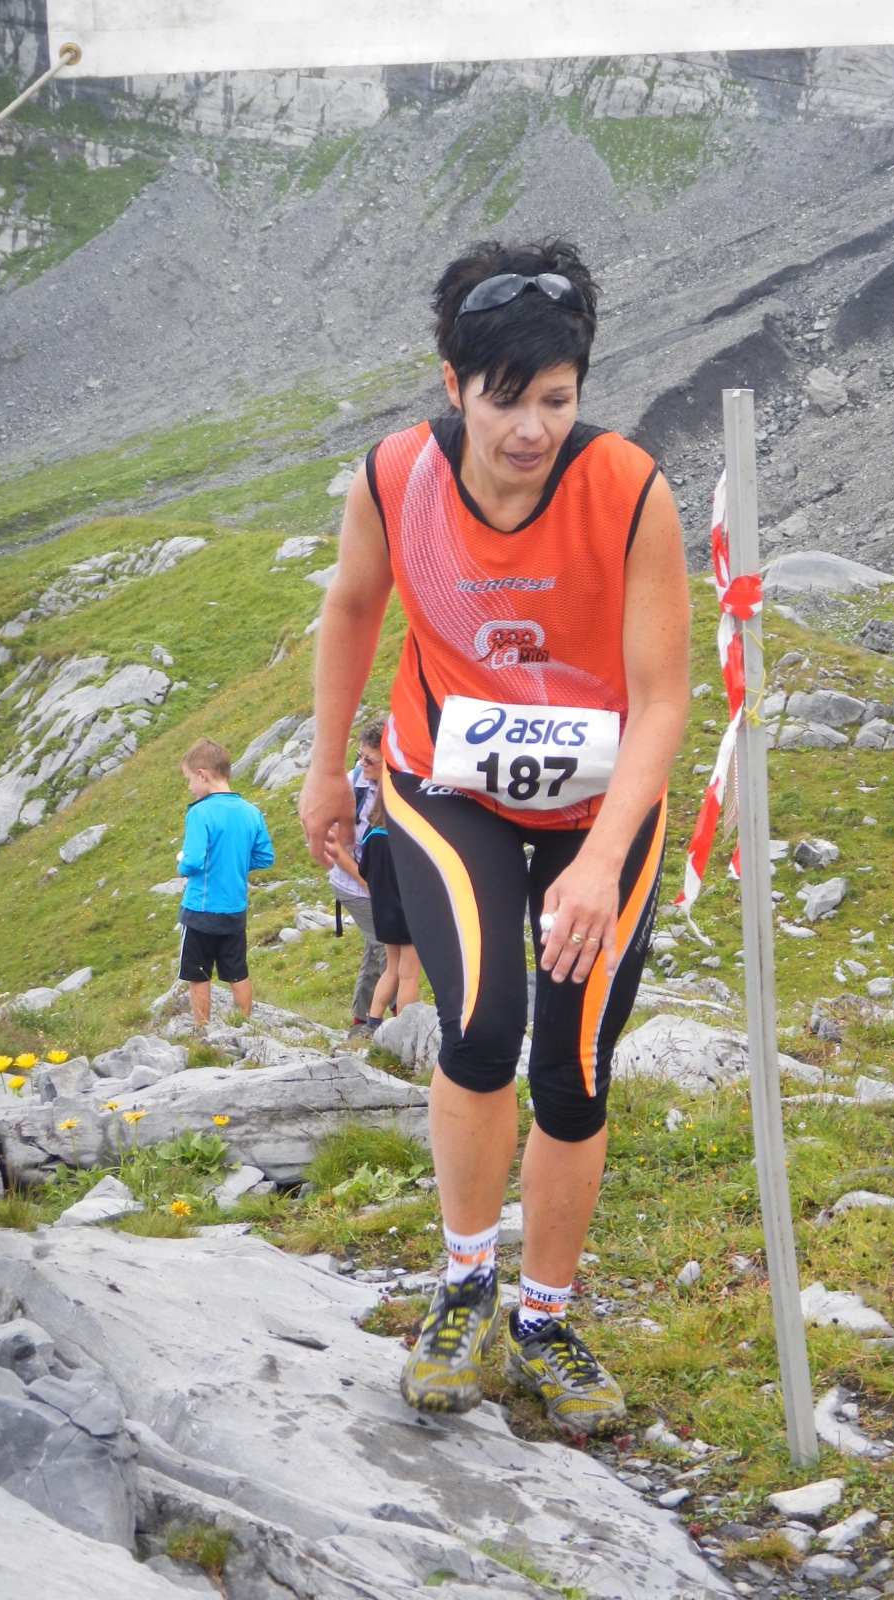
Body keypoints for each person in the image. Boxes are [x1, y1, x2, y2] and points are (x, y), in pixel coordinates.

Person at [298, 238, 690, 1437]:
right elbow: (352, 606)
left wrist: (600, 859)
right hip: (448, 781)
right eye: (506, 399)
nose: (531, 429)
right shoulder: (396, 477)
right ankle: (465, 1287)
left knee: (573, 1070)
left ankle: (545, 1319)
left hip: (599, 803)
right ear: (453, 382)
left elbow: (663, 698)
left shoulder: (628, 488)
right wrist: (325, 768)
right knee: (479, 1028)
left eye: (557, 400)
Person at [176, 737, 274, 1026]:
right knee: (237, 972)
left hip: (200, 910)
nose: (189, 787)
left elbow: (192, 861)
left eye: (189, 779)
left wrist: (181, 863)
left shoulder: (199, 812)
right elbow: (264, 857)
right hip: (234, 909)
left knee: (198, 974)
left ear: (202, 774)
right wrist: (235, 862)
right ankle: (243, 1026)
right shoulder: (251, 811)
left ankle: (202, 1030)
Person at [326, 787, 422, 1024]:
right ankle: (406, 1027)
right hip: (408, 913)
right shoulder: (407, 836)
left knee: (391, 970)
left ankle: (373, 1019)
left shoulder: (371, 833)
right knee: (409, 975)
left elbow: (363, 869)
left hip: (382, 911)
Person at [328, 723, 388, 1036]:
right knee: (390, 951)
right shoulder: (353, 784)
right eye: (359, 756)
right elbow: (334, 844)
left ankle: (360, 1021)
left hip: (384, 886)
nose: (362, 764)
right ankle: (391, 1023)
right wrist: (366, 882)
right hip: (353, 884)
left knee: (374, 952)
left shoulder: (400, 785)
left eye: (370, 760)